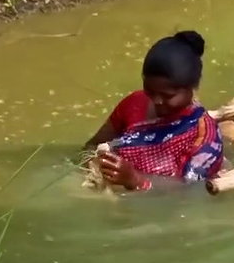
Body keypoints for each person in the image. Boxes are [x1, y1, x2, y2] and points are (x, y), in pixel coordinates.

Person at [82, 30, 225, 191]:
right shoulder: (135, 103)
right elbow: (91, 147)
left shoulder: (205, 137)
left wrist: (136, 181)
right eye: (150, 91)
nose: (156, 101)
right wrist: (96, 167)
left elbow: (188, 191)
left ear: (192, 87)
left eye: (168, 95)